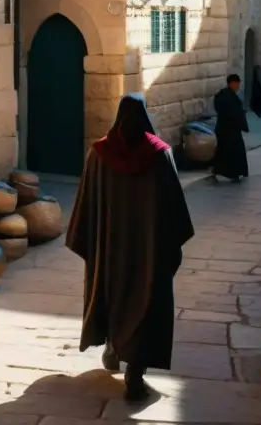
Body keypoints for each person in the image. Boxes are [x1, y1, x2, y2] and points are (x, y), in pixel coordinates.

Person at [66, 93, 195, 402]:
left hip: (109, 249)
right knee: (145, 300)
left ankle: (112, 347)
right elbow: (176, 210)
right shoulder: (160, 154)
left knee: (110, 291)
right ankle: (135, 372)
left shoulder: (99, 154)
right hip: (148, 252)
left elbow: (85, 207)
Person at [212, 74, 249, 182]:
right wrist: (242, 124)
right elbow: (233, 113)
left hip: (225, 128)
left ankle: (222, 170)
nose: (238, 86)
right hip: (230, 130)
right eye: (237, 84)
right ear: (232, 83)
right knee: (232, 151)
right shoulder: (229, 97)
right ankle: (233, 172)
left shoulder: (223, 94)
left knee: (224, 151)